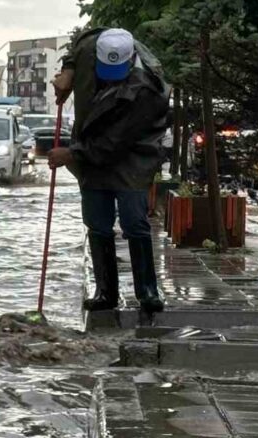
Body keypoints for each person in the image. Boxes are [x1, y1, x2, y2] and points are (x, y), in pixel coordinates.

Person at [48, 28, 171, 315]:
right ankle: (106, 292)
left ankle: (148, 292)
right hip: (91, 156)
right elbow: (83, 41)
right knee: (97, 222)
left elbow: (115, 143)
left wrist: (70, 154)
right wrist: (67, 71)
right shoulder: (95, 47)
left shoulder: (148, 91)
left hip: (131, 157)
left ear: (131, 61)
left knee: (133, 221)